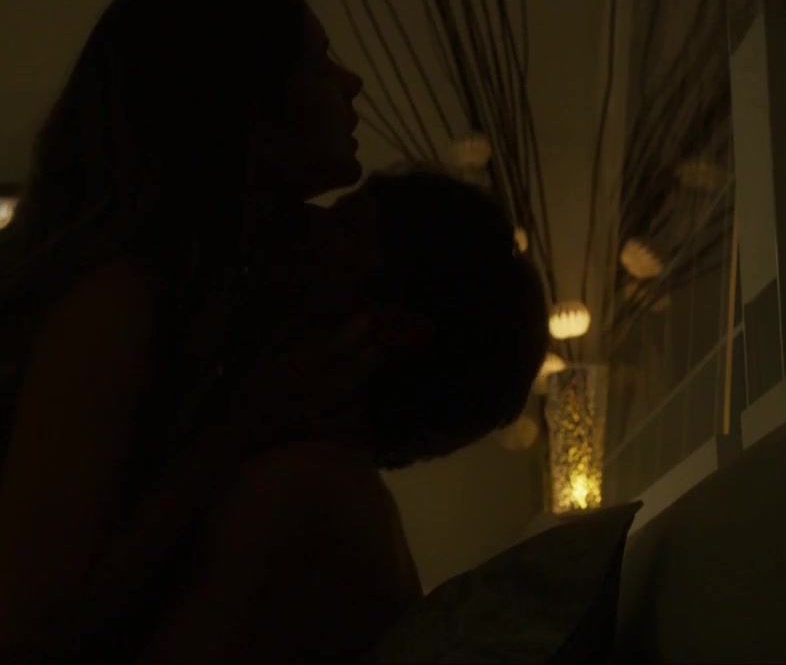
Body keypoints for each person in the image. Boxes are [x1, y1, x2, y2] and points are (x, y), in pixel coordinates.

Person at [0, 0, 376, 664]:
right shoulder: (113, 301)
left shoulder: (190, 297)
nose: (351, 84)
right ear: (242, 101)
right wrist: (244, 430)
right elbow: (27, 632)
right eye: (319, 62)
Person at [132, 167, 550, 663]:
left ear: (387, 329)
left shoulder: (304, 492)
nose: (305, 221)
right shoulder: (329, 488)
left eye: (344, 224)